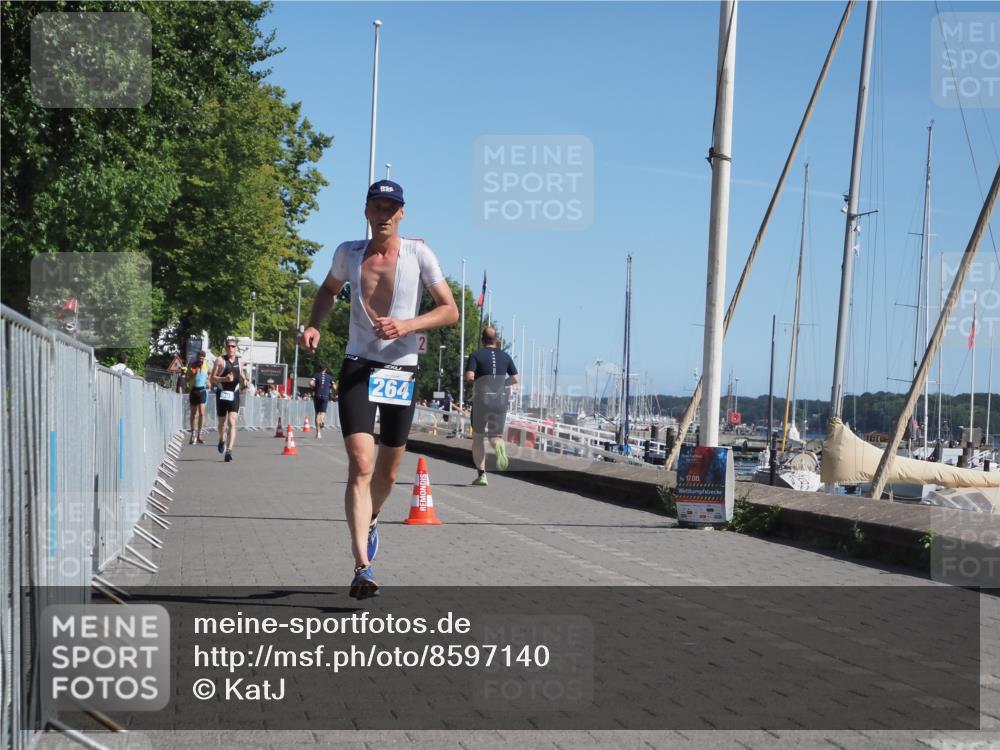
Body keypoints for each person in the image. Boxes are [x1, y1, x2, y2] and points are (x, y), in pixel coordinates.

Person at [300, 180, 458, 599]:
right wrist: (316, 323)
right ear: (366, 211)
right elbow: (329, 290)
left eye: (392, 207)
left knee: (387, 472)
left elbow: (450, 310)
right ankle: (362, 567)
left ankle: (372, 518)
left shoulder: (419, 254)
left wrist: (407, 325)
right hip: (358, 365)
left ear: (402, 213)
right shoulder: (348, 253)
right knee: (361, 464)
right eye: (377, 206)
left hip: (400, 369)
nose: (384, 213)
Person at [466, 326, 519, 486]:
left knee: (478, 438)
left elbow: (470, 376)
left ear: (482, 340)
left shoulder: (476, 355)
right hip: (500, 400)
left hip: (482, 399)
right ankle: (498, 446)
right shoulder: (506, 356)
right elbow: (515, 379)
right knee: (495, 437)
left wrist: (472, 380)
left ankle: (482, 475)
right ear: (497, 340)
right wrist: (502, 383)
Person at [211, 336, 250, 462]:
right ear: (225, 347)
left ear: (236, 348)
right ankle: (222, 439)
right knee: (222, 424)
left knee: (232, 422)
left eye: (233, 346)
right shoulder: (220, 360)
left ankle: (229, 450)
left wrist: (244, 379)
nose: (231, 349)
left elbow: (240, 372)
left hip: (234, 393)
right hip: (222, 392)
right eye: (228, 346)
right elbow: (212, 378)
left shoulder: (240, 361)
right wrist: (224, 379)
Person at [186, 349, 210, 444]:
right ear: (197, 358)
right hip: (194, 391)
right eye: (200, 358)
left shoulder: (206, 366)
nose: (201, 359)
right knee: (193, 414)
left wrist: (208, 381)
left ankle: (200, 434)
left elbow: (209, 373)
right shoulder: (192, 366)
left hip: (202, 391)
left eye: (202, 358)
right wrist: (192, 375)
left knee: (201, 413)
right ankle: (193, 434)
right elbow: (187, 379)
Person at [309, 364, 334, 439]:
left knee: (317, 413)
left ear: (319, 369)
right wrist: (329, 387)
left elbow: (310, 383)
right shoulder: (329, 377)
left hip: (317, 395)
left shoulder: (316, 375)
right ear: (325, 369)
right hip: (325, 396)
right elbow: (335, 386)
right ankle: (322, 420)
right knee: (322, 412)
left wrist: (314, 387)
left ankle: (318, 433)